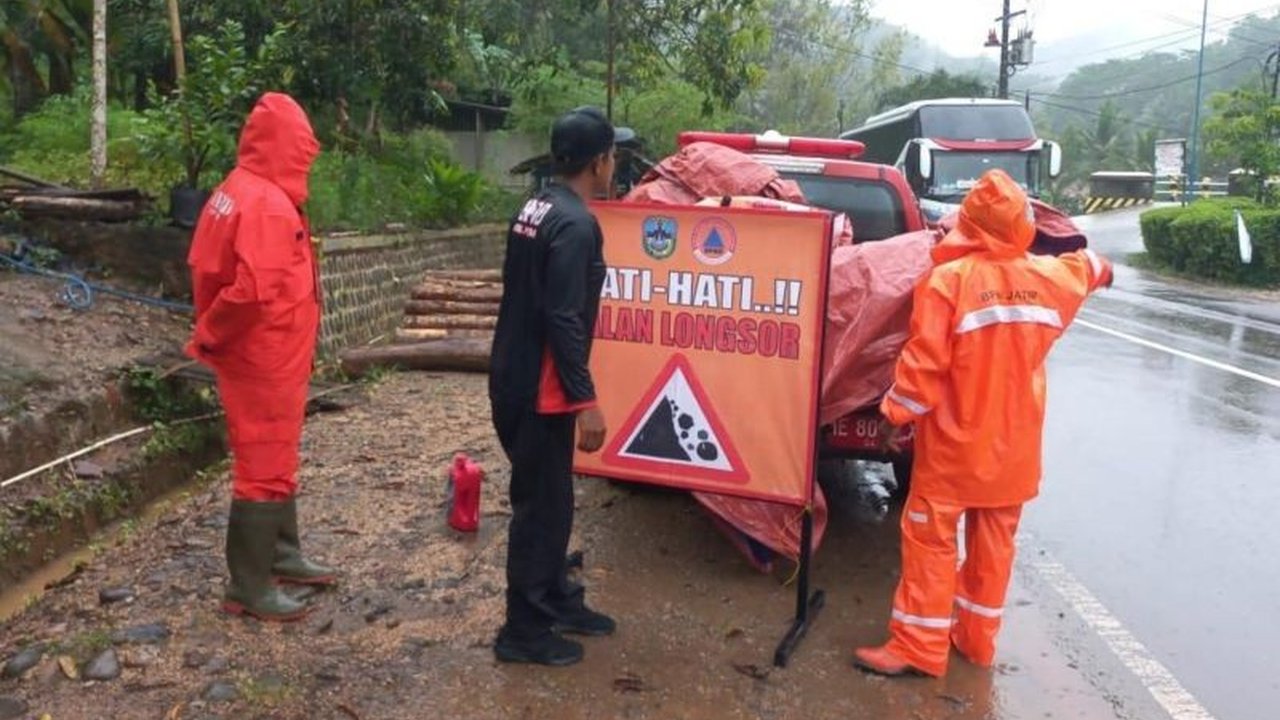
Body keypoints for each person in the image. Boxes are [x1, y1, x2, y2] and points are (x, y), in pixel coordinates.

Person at [854, 169, 1114, 677]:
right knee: (993, 551)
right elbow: (1091, 265)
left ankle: (918, 648)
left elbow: (923, 369)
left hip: (954, 452)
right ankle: (975, 642)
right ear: (1022, 225)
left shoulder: (948, 282)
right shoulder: (1051, 277)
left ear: (968, 223)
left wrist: (893, 416)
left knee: (930, 544)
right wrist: (1103, 270)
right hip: (1014, 452)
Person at [488, 106, 634, 666]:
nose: (613, 165)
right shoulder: (575, 225)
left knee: (554, 501)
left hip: (515, 375)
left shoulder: (536, 206)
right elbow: (563, 317)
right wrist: (585, 399)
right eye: (612, 155)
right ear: (599, 162)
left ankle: (554, 599)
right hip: (540, 390)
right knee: (540, 510)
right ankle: (523, 632)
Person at [186, 92, 335, 623]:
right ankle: (249, 585)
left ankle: (281, 555)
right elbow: (250, 291)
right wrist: (212, 333)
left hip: (271, 352)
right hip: (263, 356)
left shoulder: (238, 188)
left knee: (276, 456)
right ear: (288, 146)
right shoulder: (267, 205)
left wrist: (213, 332)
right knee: (263, 465)